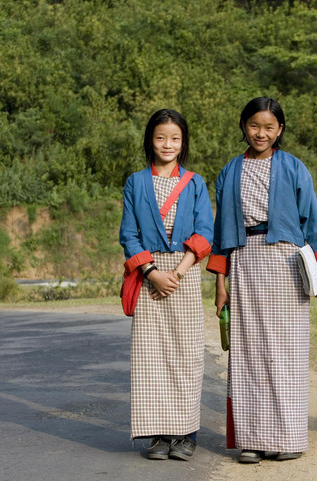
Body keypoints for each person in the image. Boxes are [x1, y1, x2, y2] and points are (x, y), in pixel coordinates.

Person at [207, 96, 317, 463]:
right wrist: (221, 283)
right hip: (245, 261)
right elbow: (220, 233)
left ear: (280, 129)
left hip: (285, 262)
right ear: (243, 127)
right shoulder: (229, 171)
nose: (260, 133)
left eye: (269, 127)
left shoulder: (295, 168)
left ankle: (286, 437)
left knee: (286, 351)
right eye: (254, 126)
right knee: (248, 353)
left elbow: (312, 219)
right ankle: (250, 438)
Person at [119, 109, 214, 460]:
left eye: (175, 138)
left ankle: (185, 433)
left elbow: (205, 232)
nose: (167, 144)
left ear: (183, 142)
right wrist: (152, 273)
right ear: (150, 140)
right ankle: (158, 435)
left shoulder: (195, 182)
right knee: (151, 358)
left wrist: (179, 270)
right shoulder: (135, 182)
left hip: (183, 275)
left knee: (185, 355)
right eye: (160, 137)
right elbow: (129, 235)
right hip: (150, 274)